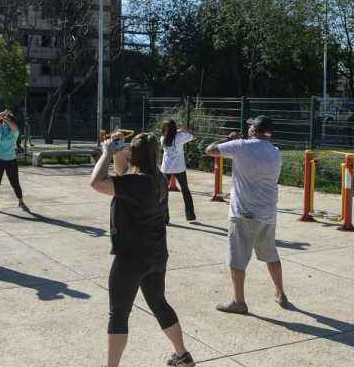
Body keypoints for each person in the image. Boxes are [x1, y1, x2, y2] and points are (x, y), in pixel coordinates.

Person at [90, 132, 195, 367]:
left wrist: (106, 153)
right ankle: (182, 355)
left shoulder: (136, 182)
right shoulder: (156, 178)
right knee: (159, 303)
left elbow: (97, 182)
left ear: (133, 155)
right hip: (156, 256)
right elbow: (121, 174)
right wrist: (117, 150)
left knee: (118, 313)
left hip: (131, 258)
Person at [205, 116, 289, 314]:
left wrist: (228, 139)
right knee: (270, 254)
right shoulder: (275, 152)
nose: (248, 127)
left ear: (254, 130)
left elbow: (209, 150)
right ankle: (280, 293)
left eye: (251, 125)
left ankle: (239, 301)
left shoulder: (241, 146)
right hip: (267, 213)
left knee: (237, 259)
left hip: (244, 213)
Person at [0, 110, 28, 213]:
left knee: (15, 183)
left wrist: (6, 118)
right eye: (3, 121)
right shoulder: (1, 129)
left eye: (6, 120)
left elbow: (14, 127)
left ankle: (21, 202)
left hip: (11, 161)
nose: (3, 122)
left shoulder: (15, 132)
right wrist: (4, 113)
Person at [160, 119, 196, 222]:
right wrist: (185, 129)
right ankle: (190, 216)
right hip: (179, 168)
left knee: (163, 192)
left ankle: (164, 218)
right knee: (185, 191)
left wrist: (180, 131)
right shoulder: (180, 137)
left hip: (166, 168)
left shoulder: (162, 138)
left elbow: (170, 135)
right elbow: (194, 136)